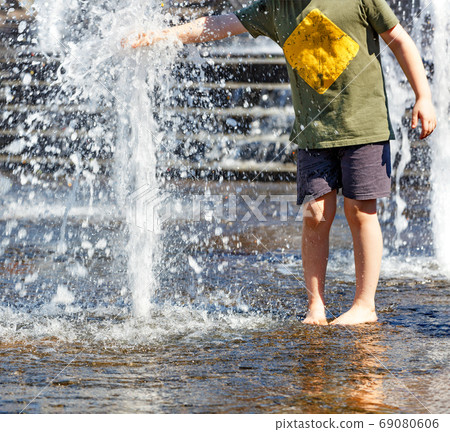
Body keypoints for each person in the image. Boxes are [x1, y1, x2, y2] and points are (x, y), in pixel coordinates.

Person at [123, 0, 436, 325]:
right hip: (312, 134)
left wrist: (423, 96)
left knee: (360, 211)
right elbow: (218, 25)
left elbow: (398, 38)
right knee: (315, 215)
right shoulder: (278, 7)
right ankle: (316, 306)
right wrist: (161, 35)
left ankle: (364, 305)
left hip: (365, 126)